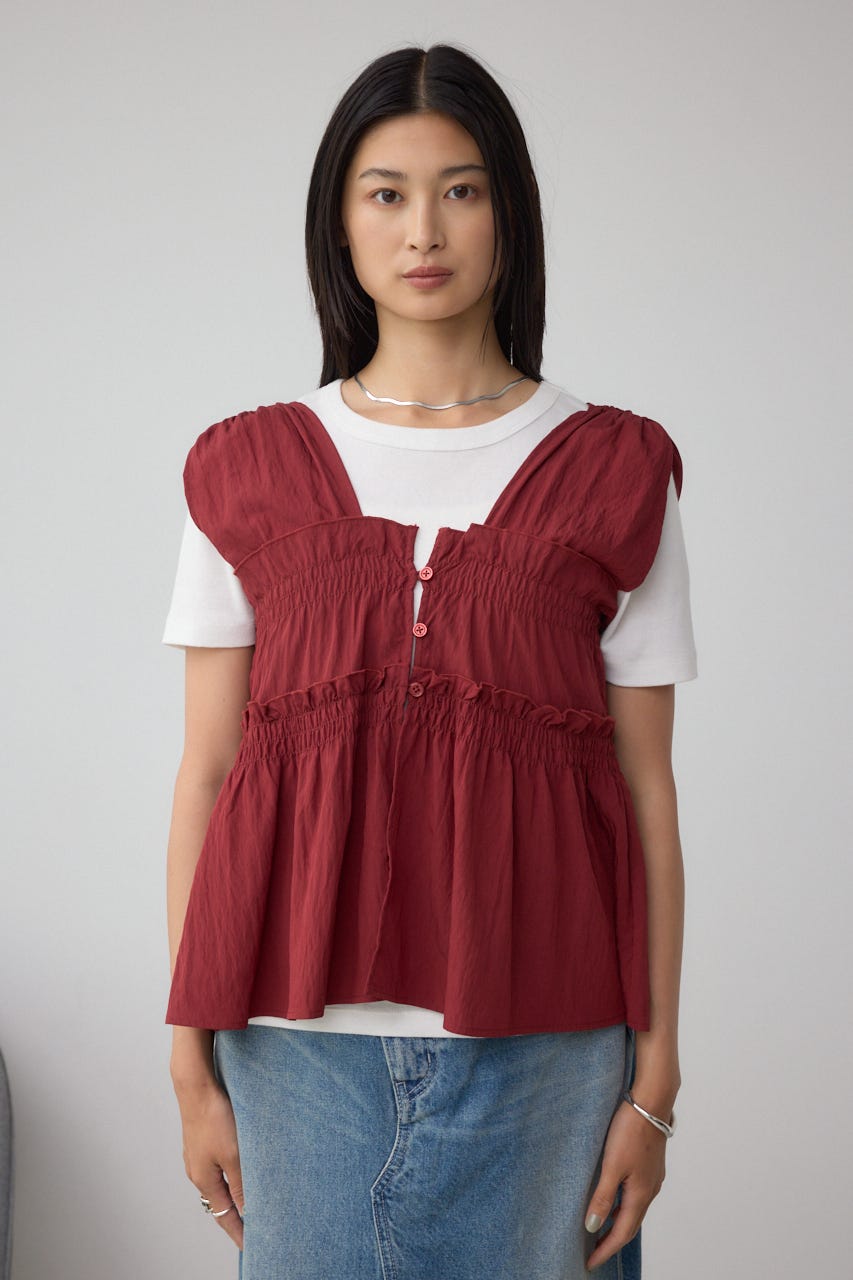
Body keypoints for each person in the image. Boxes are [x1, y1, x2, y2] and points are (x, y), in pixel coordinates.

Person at [162, 43, 697, 1280]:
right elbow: (208, 773)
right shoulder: (242, 470)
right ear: (338, 222)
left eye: (461, 189)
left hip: (554, 1046)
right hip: (291, 1047)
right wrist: (188, 1057)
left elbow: (646, 791)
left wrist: (656, 1075)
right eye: (386, 193)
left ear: (510, 212)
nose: (423, 230)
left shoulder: (618, 470)